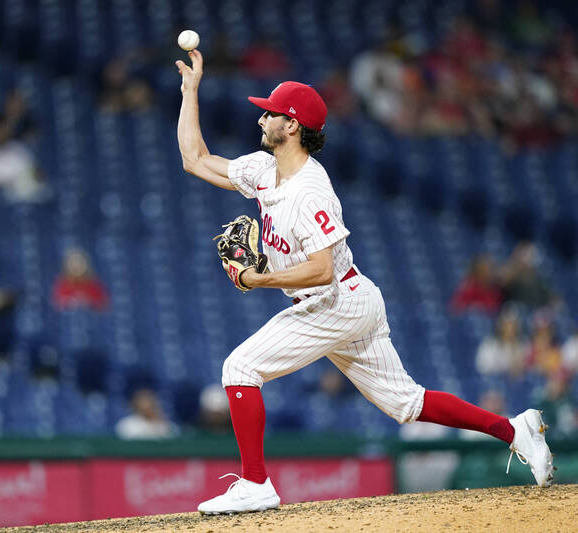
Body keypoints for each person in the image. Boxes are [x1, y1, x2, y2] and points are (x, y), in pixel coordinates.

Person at [175, 49, 554, 515]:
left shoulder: (311, 191)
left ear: (292, 125)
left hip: (334, 299)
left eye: (270, 112)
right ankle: (514, 430)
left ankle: (256, 483)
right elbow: (195, 159)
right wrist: (190, 92)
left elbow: (321, 270)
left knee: (239, 370)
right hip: (352, 299)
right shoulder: (262, 170)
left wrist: (257, 279)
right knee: (407, 403)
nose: (261, 118)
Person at [52, 247, 109, 311]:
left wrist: (87, 301)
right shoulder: (62, 286)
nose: (76, 266)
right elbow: (58, 305)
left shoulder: (94, 285)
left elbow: (103, 305)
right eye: (73, 263)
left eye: (79, 262)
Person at [475, 308, 529, 377]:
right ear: (501, 326)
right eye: (507, 325)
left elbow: (527, 368)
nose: (510, 328)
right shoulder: (490, 344)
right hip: (494, 381)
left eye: (513, 325)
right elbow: (482, 369)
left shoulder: (523, 344)